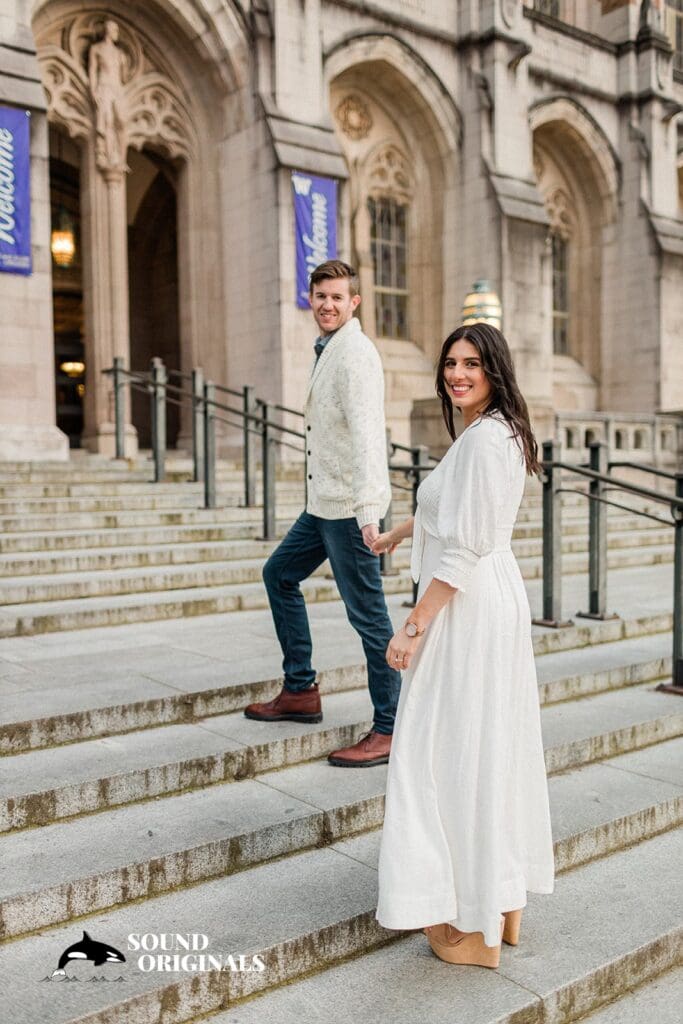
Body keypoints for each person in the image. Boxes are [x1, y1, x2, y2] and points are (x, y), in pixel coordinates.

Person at [373, 322, 554, 967]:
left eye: (472, 363)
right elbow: (463, 514)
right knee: (488, 748)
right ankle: (502, 903)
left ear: (494, 369)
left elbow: (467, 544)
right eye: (450, 363)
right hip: (491, 595)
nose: (457, 374)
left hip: (467, 605)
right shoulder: (496, 431)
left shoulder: (483, 440)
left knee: (439, 753)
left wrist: (413, 625)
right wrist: (401, 534)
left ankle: (470, 931)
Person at [244, 260, 401, 767]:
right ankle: (300, 690)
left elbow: (368, 435)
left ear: (355, 302)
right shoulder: (330, 349)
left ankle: (390, 726)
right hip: (322, 504)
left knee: (369, 618)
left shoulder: (355, 354)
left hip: (351, 511)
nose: (328, 304)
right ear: (311, 299)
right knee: (280, 574)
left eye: (338, 297)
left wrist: (370, 511)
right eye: (321, 296)